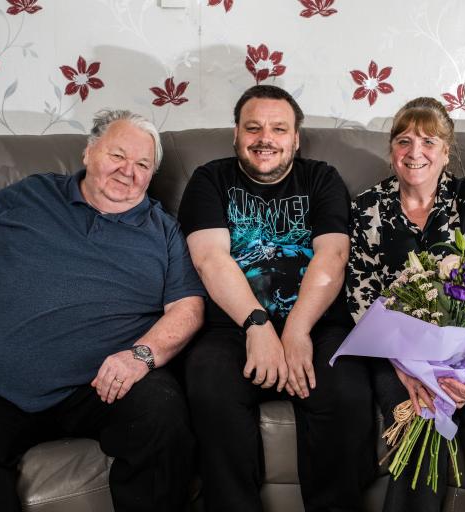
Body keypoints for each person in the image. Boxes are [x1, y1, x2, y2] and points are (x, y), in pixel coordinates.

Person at [0, 110, 206, 512]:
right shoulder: (29, 196)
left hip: (106, 384)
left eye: (143, 164)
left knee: (163, 417)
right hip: (1, 387)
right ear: (89, 152)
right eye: (117, 155)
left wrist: (140, 356)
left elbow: (188, 308)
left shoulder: (163, 230)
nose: (128, 171)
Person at [178, 84, 375, 512]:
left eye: (278, 128)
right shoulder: (210, 179)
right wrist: (258, 325)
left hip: (318, 323)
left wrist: (298, 330)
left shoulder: (321, 178)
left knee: (346, 393)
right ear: (236, 134)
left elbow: (333, 254)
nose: (265, 138)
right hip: (232, 326)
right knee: (209, 386)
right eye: (253, 128)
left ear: (295, 139)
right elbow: (210, 259)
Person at [347, 97, 465, 512]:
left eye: (428, 141)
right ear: (392, 150)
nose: (415, 152)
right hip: (397, 352)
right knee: (421, 427)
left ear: (446, 152)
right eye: (404, 140)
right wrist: (404, 368)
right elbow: (361, 296)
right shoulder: (366, 209)